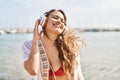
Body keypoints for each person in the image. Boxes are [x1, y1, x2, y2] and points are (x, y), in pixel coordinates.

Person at [22, 9, 85, 80]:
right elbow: (33, 70)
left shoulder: (70, 46)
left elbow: (79, 76)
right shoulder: (29, 45)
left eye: (62, 21)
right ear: (44, 21)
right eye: (55, 17)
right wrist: (35, 40)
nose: (59, 22)